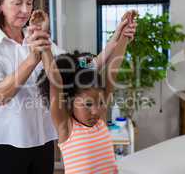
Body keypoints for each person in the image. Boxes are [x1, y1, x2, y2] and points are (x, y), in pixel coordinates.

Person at [0, 0, 136, 173]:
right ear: (0, 4)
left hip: (42, 139)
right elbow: (0, 95)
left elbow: (78, 66)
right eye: (18, 3)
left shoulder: (40, 39)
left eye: (29, 3)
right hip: (6, 142)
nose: (25, 10)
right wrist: (33, 58)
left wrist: (116, 39)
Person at [37, 11, 137, 173]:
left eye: (100, 103)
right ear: (69, 102)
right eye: (88, 104)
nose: (96, 110)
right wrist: (42, 39)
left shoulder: (100, 120)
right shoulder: (66, 127)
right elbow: (55, 82)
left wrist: (125, 35)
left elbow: (112, 69)